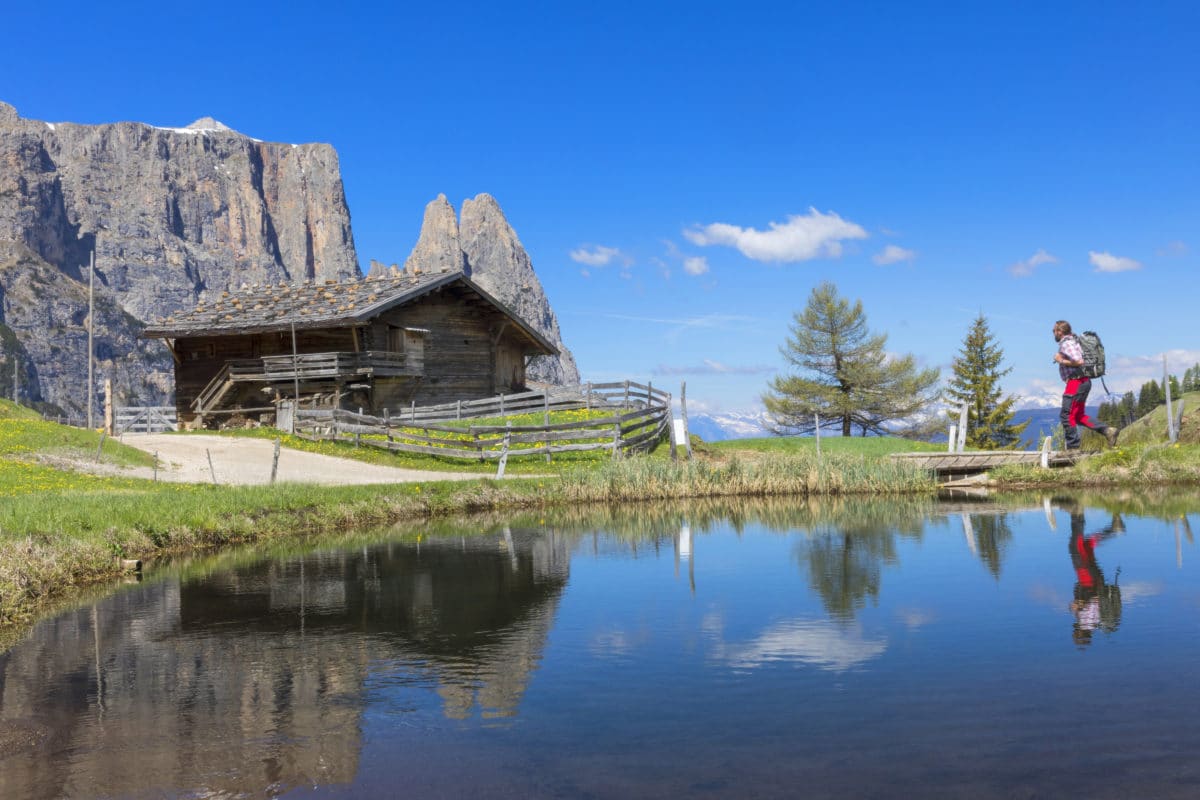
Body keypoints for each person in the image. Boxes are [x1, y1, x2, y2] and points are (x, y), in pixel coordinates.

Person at [1063, 501, 1124, 647]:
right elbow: (1095, 601)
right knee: (1075, 546)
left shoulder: (1092, 623)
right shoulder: (1088, 621)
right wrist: (1080, 605)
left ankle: (1114, 529)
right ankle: (1077, 511)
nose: (1074, 633)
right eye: (1076, 635)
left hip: (1092, 578)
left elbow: (1089, 602)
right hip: (1088, 578)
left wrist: (1078, 605)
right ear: (1081, 633)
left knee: (1085, 545)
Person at [1053, 320, 1118, 450]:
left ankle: (1073, 448)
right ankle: (1107, 431)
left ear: (1060, 331)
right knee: (1078, 416)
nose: (1053, 334)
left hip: (1076, 382)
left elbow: (1079, 361)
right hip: (1083, 382)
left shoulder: (1067, 343)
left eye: (1054, 331)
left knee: (1066, 415)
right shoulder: (1075, 341)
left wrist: (1061, 360)